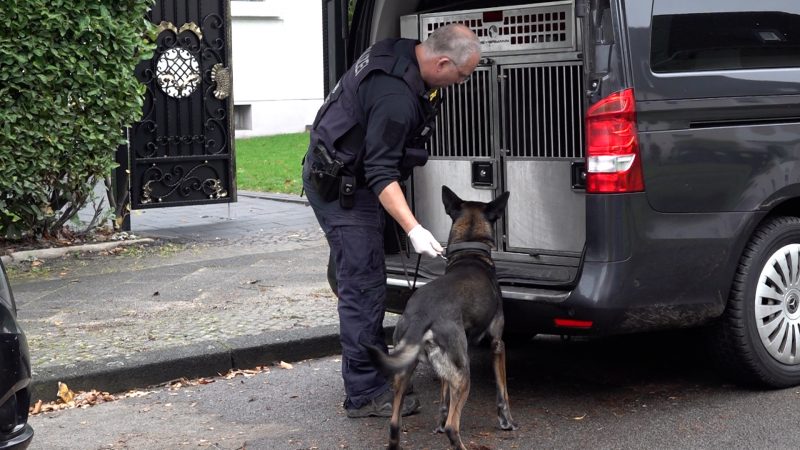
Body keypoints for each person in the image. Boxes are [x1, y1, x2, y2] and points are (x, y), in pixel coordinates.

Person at [301, 24, 481, 418]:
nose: (461, 83)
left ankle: (377, 372)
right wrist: (413, 229)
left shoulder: (399, 51)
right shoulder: (395, 95)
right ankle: (365, 394)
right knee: (363, 287)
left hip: (347, 175)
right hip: (342, 187)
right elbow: (380, 172)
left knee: (363, 276)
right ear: (443, 61)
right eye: (462, 75)